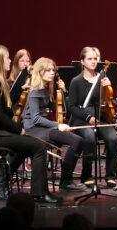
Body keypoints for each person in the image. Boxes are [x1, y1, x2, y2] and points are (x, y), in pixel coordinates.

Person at [0, 44, 57, 204]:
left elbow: (2, 109)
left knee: (25, 146)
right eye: (6, 57)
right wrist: (19, 130)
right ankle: (39, 194)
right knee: (38, 147)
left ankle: (0, 183)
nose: (9, 60)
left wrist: (18, 92)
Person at [22, 57, 86, 192]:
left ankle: (66, 180)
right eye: (48, 70)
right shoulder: (35, 92)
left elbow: (61, 109)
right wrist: (57, 125)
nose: (52, 73)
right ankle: (66, 181)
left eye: (53, 70)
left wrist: (62, 91)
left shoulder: (45, 90)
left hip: (43, 128)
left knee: (78, 141)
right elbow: (36, 119)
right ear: (40, 72)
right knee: (76, 140)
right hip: (33, 130)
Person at [67, 46, 117, 188]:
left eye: (95, 59)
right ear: (82, 61)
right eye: (89, 59)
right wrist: (87, 117)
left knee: (113, 138)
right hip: (81, 117)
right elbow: (72, 107)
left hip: (100, 116)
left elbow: (107, 100)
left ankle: (111, 175)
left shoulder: (102, 77)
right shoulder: (76, 81)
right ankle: (86, 175)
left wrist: (108, 88)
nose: (93, 61)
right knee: (89, 137)